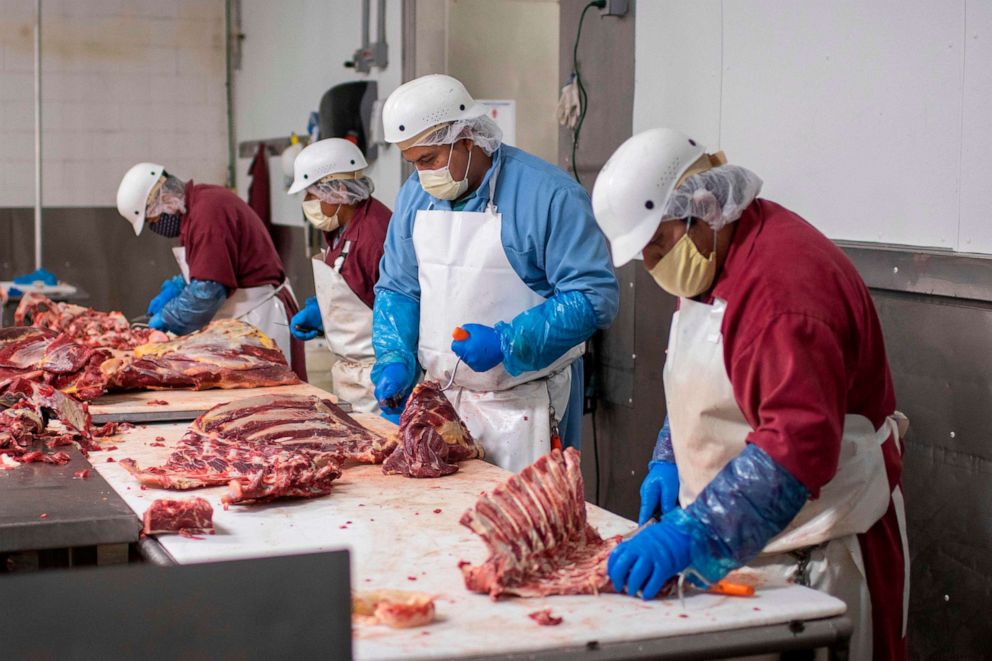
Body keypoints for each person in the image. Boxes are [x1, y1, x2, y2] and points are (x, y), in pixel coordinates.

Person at [592, 128, 909, 660]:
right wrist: (673, 457)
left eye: (658, 243)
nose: (652, 265)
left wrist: (692, 534)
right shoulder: (710, 251)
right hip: (746, 542)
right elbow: (715, 379)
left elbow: (797, 449)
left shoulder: (783, 295)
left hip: (817, 551)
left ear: (704, 206)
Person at [371, 74, 619, 470]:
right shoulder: (415, 196)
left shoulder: (549, 194)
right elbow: (398, 287)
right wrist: (394, 355)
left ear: (467, 138)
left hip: (527, 404)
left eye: (429, 160)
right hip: (443, 404)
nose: (421, 174)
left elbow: (593, 297)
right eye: (413, 163)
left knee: (523, 521)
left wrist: (509, 342)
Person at [115, 163, 306, 380]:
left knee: (271, 402)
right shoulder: (198, 207)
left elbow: (208, 291)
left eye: (154, 220)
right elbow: (211, 265)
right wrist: (179, 285)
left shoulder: (207, 213)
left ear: (164, 200)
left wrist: (167, 318)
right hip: (242, 315)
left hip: (261, 317)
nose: (156, 227)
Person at [287, 138, 391, 413]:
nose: (307, 203)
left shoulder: (374, 235)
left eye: (311, 195)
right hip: (349, 372)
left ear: (337, 190)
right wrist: (323, 313)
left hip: (379, 377)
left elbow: (394, 308)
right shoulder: (339, 226)